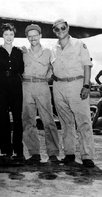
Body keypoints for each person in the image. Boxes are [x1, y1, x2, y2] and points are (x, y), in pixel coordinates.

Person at [51, 19, 95, 167]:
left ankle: (87, 156)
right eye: (56, 29)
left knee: (83, 121)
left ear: (68, 27)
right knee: (65, 122)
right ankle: (69, 154)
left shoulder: (79, 44)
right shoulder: (53, 48)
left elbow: (87, 65)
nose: (60, 31)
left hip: (76, 85)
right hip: (58, 85)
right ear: (54, 31)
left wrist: (86, 85)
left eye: (63, 27)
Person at [22, 24, 60, 164]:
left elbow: (54, 67)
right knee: (28, 120)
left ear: (40, 36)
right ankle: (34, 153)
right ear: (27, 37)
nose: (33, 38)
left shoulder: (49, 51)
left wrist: (48, 76)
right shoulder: (23, 52)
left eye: (35, 35)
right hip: (26, 86)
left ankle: (53, 153)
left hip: (42, 86)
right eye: (30, 36)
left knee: (48, 120)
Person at [0, 23, 25, 163]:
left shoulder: (19, 51)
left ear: (14, 35)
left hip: (16, 85)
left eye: (11, 34)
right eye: (6, 34)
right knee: (3, 117)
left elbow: (22, 69)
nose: (8, 37)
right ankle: (6, 150)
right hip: (1, 85)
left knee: (18, 118)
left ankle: (19, 150)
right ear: (2, 35)